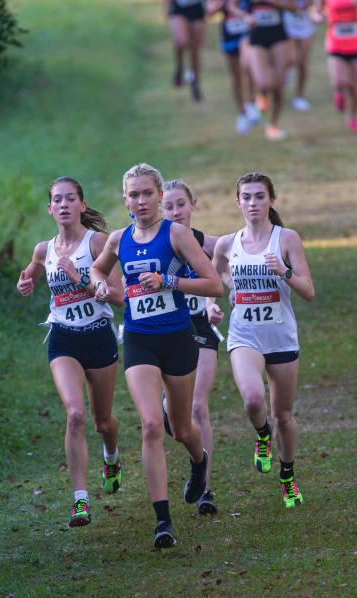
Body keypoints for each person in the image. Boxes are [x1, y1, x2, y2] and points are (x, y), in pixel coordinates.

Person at [90, 163, 222, 548]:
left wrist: (170, 281)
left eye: (148, 193)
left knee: (180, 428)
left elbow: (214, 284)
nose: (141, 200)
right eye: (134, 194)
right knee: (150, 424)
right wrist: (99, 287)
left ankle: (199, 461)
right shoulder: (118, 239)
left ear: (160, 196)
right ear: (125, 200)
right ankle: (162, 521)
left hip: (179, 338)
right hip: (139, 339)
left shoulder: (177, 234)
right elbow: (98, 272)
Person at [17, 177, 126, 528]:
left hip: (99, 337)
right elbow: (33, 269)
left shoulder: (97, 244)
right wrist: (28, 281)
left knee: (102, 422)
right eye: (57, 200)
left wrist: (80, 280)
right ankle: (81, 500)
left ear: (82, 205)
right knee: (75, 415)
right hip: (63, 338)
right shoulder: (43, 249)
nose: (63, 205)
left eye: (70, 199)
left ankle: (111, 457)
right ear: (50, 209)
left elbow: (121, 296)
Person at [211, 172, 315, 508]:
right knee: (254, 400)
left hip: (282, 339)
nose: (252, 203)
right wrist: (218, 298)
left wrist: (283, 272)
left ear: (271, 200)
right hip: (244, 336)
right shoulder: (228, 243)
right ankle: (261, 435)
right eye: (246, 197)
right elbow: (215, 276)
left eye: (259, 196)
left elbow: (308, 291)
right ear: (237, 202)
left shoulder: (286, 239)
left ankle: (287, 476)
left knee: (283, 415)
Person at [160, 180, 221, 515]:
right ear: (159, 208)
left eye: (180, 204)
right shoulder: (153, 241)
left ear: (193, 204)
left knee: (199, 406)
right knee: (175, 417)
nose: (175, 211)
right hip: (164, 330)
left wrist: (213, 300)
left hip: (199, 326)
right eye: (168, 206)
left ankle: (205, 489)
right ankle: (168, 406)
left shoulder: (202, 241)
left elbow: (226, 257)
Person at [231, 0, 303, 140]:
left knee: (278, 85)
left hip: (279, 36)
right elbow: (231, 6)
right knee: (263, 83)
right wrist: (245, 16)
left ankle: (273, 125)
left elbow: (294, 7)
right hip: (256, 36)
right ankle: (260, 98)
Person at [312, 0, 357, 132]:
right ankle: (339, 92)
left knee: (354, 86)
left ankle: (353, 119)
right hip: (335, 43)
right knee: (338, 81)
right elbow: (316, 13)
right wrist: (319, 18)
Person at [208, 0, 262, 133]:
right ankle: (242, 113)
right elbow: (210, 11)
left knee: (249, 68)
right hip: (230, 34)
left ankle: (251, 103)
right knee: (236, 75)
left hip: (248, 33)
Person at [167, 0, 208, 101]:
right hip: (179, 7)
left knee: (195, 52)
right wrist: (167, 7)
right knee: (181, 42)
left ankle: (195, 82)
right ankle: (180, 65)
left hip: (197, 7)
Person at [283, 0, 317, 111]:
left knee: (303, 63)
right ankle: (288, 70)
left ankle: (299, 97)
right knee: (291, 58)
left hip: (306, 25)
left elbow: (314, 5)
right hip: (288, 24)